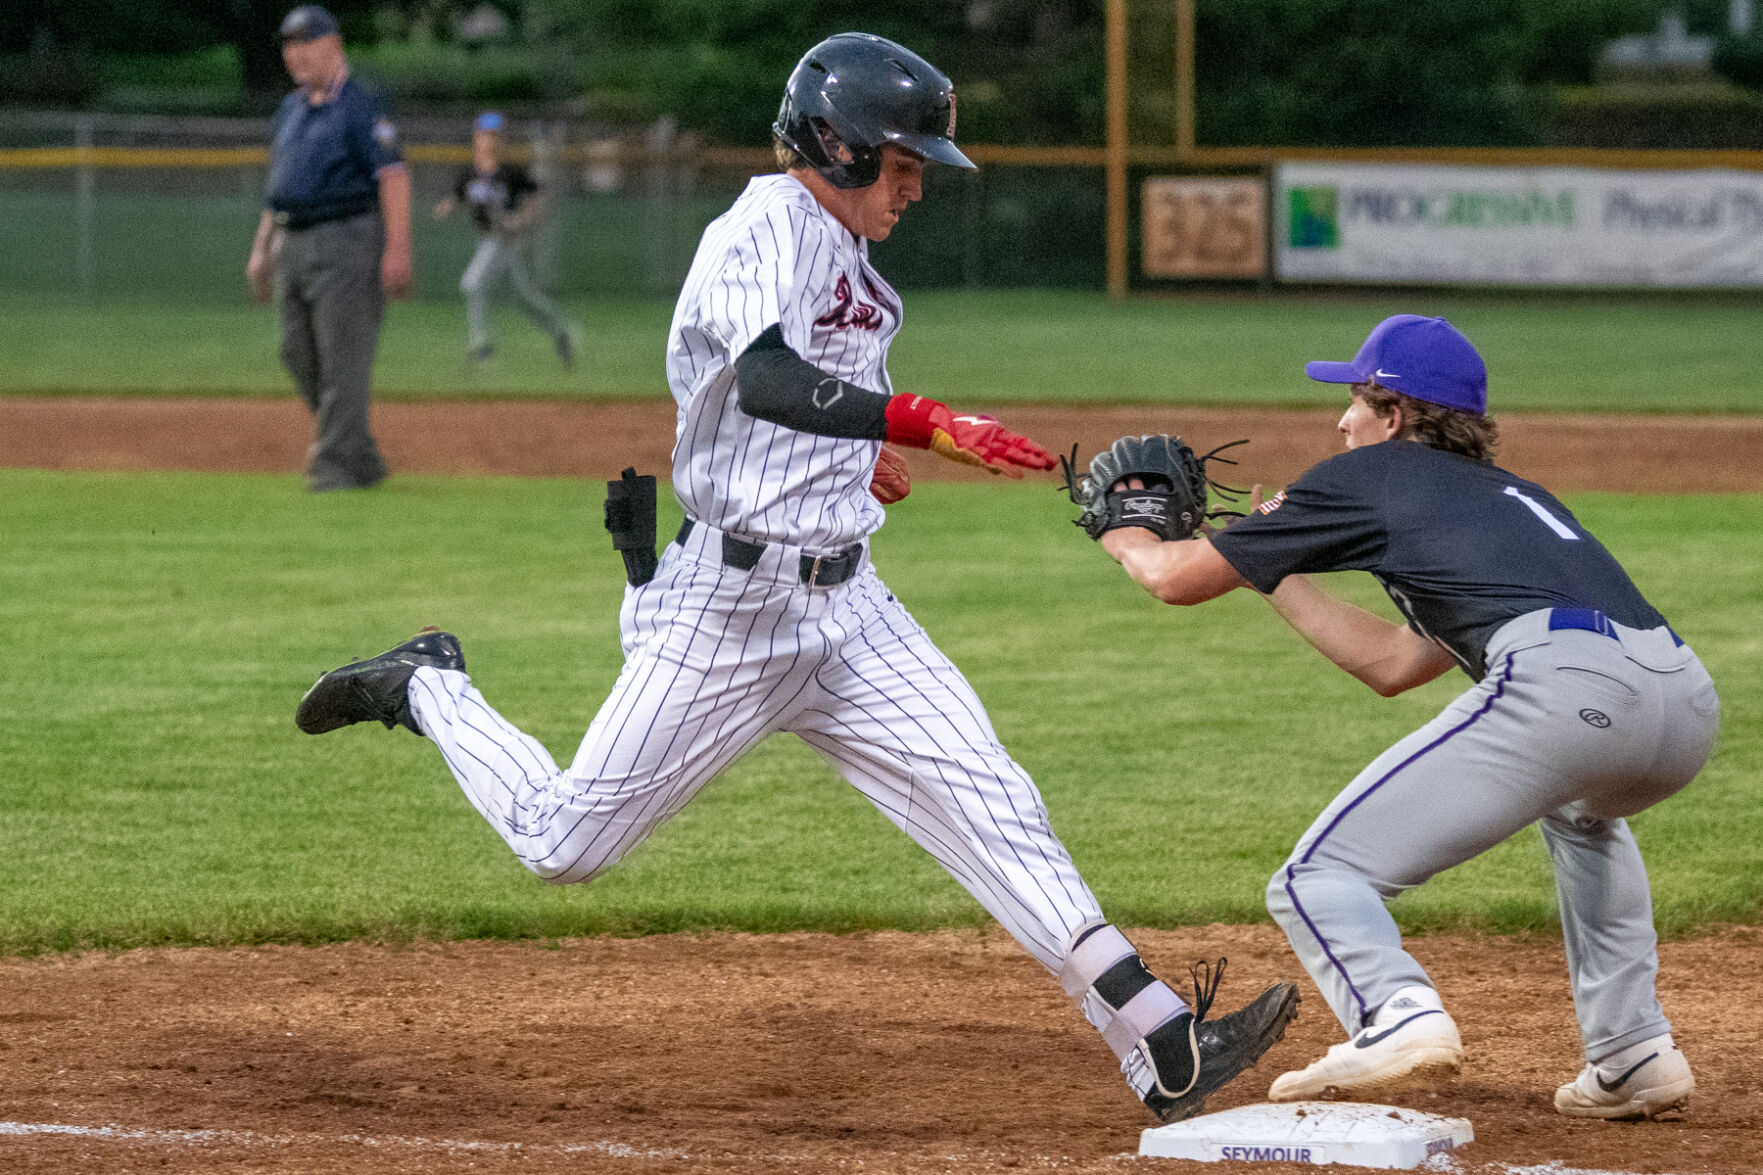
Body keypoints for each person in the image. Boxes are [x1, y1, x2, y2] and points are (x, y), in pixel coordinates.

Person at [293, 32, 1299, 1125]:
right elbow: (768, 377)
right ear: (839, 144)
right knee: (562, 842)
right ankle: (428, 682)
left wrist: (860, 455)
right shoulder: (766, 225)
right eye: (903, 162)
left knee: (991, 800)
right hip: (727, 614)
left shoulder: (851, 257)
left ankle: (1156, 1038)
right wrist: (916, 418)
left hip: (850, 608)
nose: (916, 185)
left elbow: (789, 399)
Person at [1089, 314, 1719, 1119]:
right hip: (1682, 701)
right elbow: (1394, 663)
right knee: (1581, 814)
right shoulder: (1509, 498)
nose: (1339, 419)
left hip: (1571, 688)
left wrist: (1126, 530)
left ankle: (1395, 1012)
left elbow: (1172, 578)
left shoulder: (1374, 472)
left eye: (1356, 398)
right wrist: (1268, 569)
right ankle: (1632, 1051)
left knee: (1317, 876)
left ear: (1396, 416)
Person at [245, 4, 411, 492]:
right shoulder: (291, 109)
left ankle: (335, 468)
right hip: (290, 240)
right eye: (288, 45)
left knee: (343, 359)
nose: (294, 54)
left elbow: (393, 176)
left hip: (348, 239)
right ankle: (360, 456)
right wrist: (261, 249)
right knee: (296, 352)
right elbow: (279, 188)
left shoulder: (362, 104)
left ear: (333, 45)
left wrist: (398, 249)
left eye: (304, 43)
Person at [433, 111, 578, 369]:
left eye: (494, 136)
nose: (489, 140)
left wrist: (523, 218)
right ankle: (560, 331)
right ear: (476, 138)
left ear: (500, 141)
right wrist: (448, 207)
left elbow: (538, 195)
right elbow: (458, 197)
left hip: (503, 241)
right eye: (484, 134)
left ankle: (481, 348)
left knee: (472, 284)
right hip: (485, 240)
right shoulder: (469, 172)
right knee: (523, 300)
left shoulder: (510, 173)